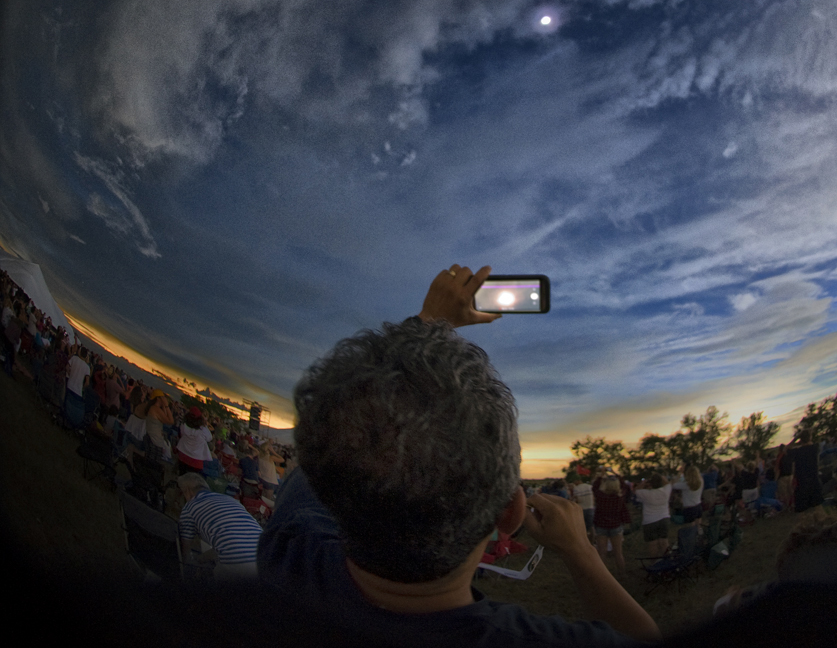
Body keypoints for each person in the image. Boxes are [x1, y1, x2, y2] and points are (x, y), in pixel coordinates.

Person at [256, 264, 660, 646]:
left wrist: (428, 321)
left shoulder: (290, 554)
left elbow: (332, 445)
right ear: (510, 514)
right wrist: (581, 552)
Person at [177, 473, 262, 580]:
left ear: (188, 491)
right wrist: (200, 559)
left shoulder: (189, 507)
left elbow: (185, 553)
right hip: (264, 559)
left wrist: (188, 568)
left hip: (236, 565)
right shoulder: (231, 501)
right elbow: (228, 544)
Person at [592, 474, 631, 577]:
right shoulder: (619, 497)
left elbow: (594, 487)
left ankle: (602, 575)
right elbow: (625, 486)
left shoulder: (600, 496)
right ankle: (622, 573)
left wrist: (600, 475)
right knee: (618, 552)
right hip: (615, 526)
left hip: (601, 526)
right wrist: (618, 476)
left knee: (602, 552)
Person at [633, 474, 672, 557]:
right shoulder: (666, 491)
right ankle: (667, 560)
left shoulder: (645, 493)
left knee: (652, 544)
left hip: (650, 521)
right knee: (664, 542)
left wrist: (643, 483)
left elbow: (636, 490)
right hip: (664, 518)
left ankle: (653, 563)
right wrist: (662, 477)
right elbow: (668, 483)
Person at [787, 430, 823, 513]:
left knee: (803, 512)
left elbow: (786, 449)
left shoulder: (797, 452)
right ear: (810, 438)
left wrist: (796, 438)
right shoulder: (815, 448)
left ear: (800, 439)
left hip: (802, 483)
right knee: (818, 508)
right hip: (814, 481)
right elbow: (811, 443)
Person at [176, 407, 214, 475]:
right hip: (196, 461)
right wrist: (204, 425)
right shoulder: (203, 430)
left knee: (181, 478)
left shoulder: (184, 426)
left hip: (183, 455)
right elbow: (209, 438)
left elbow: (181, 434)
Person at [572, 476, 595, 542]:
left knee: (582, 527)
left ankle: (584, 542)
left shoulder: (576, 488)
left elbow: (579, 500)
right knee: (591, 527)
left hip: (581, 509)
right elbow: (593, 497)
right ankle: (592, 542)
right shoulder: (589, 486)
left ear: (577, 481)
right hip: (590, 508)